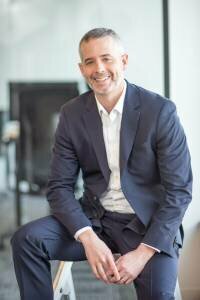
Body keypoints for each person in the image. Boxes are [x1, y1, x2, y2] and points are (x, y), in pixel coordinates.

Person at [11, 28, 192, 300]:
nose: (99, 69)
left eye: (107, 58)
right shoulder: (72, 114)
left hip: (147, 225)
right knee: (26, 240)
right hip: (96, 221)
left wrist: (142, 253)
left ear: (124, 61)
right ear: (81, 68)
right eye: (90, 61)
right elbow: (59, 187)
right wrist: (87, 237)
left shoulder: (160, 111)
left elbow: (179, 191)